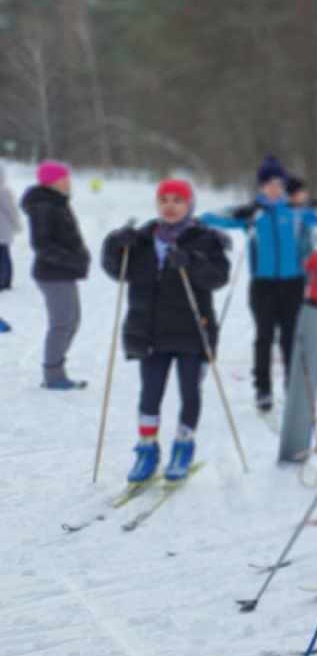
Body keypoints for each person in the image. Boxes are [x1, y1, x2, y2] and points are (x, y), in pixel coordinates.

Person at [101, 179, 232, 481]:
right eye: (164, 200)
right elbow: (117, 272)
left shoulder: (205, 239)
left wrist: (192, 262)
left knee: (189, 391)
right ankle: (147, 449)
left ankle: (183, 446)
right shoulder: (144, 239)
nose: (170, 206)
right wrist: (114, 247)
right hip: (151, 332)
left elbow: (217, 278)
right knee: (150, 394)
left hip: (192, 331)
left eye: (177, 200)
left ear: (189, 205)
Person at [204, 155, 308, 412]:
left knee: (290, 337)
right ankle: (263, 389)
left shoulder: (295, 213)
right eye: (269, 184)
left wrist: (315, 204)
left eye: (279, 184)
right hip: (262, 285)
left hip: (293, 283)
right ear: (260, 187)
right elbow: (208, 217)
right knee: (264, 337)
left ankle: (292, 387)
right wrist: (239, 211)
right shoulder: (253, 214)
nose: (275, 189)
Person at [23, 160, 90, 389]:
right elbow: (41, 244)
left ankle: (56, 369)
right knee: (62, 323)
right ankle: (53, 375)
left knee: (73, 321)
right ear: (50, 182)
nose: (67, 182)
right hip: (52, 273)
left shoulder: (57, 202)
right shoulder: (43, 206)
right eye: (63, 178)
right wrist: (70, 259)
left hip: (63, 272)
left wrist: (79, 255)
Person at [0, 164, 22, 294]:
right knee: (4, 255)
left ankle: (4, 279)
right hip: (4, 229)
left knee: (3, 255)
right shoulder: (5, 191)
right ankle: (5, 279)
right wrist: (17, 225)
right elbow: (12, 210)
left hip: (3, 229)